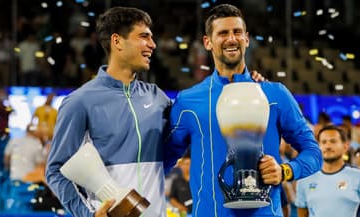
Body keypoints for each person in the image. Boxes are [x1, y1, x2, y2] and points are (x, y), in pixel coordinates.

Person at [46, 6, 265, 217]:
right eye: (143, 36)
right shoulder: (80, 101)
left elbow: (179, 141)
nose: (152, 44)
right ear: (117, 41)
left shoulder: (158, 98)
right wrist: (89, 214)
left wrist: (244, 84)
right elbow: (56, 171)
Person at [165, 4, 322, 217]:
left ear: (246, 39)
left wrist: (285, 171)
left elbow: (313, 153)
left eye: (237, 32)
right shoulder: (188, 101)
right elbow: (163, 160)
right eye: (222, 33)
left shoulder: (274, 94)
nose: (231, 39)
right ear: (207, 42)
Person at [295, 125, 360, 217]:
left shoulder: (357, 177)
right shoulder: (304, 180)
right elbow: (302, 213)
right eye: (323, 142)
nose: (328, 146)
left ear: (345, 147)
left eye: (333, 141)